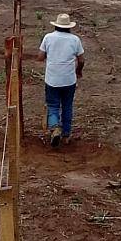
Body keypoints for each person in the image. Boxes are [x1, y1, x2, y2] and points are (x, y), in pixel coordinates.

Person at [38, 13, 85, 148]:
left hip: (52, 79)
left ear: (56, 25)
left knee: (53, 105)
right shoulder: (75, 40)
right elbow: (81, 59)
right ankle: (66, 135)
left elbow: (40, 57)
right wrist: (78, 71)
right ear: (69, 27)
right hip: (69, 80)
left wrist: (49, 54)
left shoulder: (48, 37)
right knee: (67, 106)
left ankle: (55, 128)